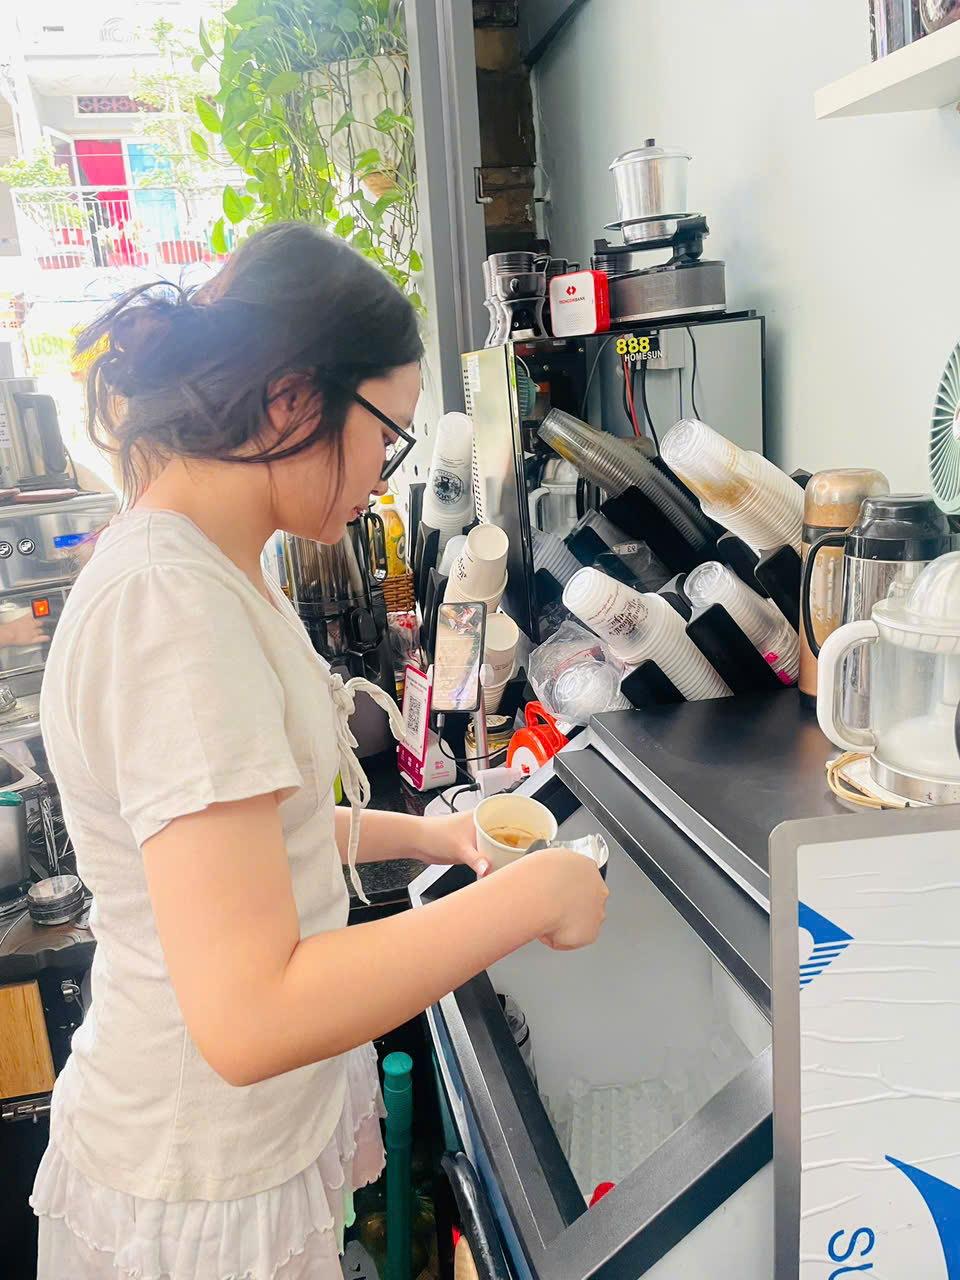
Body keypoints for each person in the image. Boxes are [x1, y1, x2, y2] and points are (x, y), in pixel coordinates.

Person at [31, 223, 608, 1280]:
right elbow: (251, 1015)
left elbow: (261, 834)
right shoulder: (171, 610)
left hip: (230, 1152)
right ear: (293, 400)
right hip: (192, 1182)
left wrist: (438, 837)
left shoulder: (217, 564)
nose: (386, 477)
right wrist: (534, 895)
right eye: (386, 435)